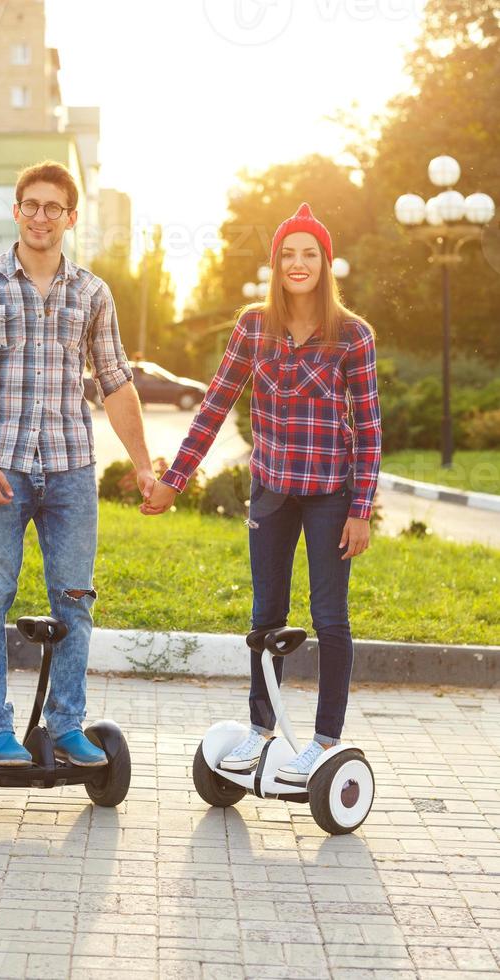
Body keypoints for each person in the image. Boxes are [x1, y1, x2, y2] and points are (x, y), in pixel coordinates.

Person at [142, 203, 382, 783]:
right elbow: (214, 406)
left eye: (310, 254)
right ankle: (260, 730)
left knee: (329, 617)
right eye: (287, 255)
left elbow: (370, 428)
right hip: (271, 491)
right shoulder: (253, 325)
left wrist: (361, 509)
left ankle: (325, 742)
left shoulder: (352, 334)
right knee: (265, 613)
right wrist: (175, 479)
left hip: (331, 494)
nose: (298, 264)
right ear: (275, 264)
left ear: (326, 264)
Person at [0, 160, 155, 767]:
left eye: (52, 207)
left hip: (70, 472)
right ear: (16, 211)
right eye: (30, 205)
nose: (40, 216)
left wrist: (140, 465)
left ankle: (65, 725)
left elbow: (115, 382)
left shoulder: (92, 293)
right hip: (1, 469)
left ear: (70, 217)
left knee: (75, 600)